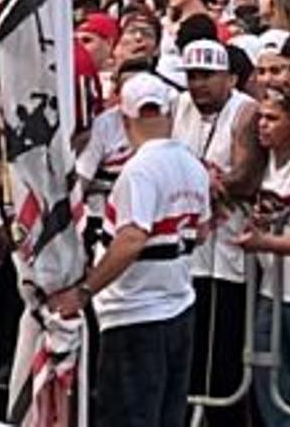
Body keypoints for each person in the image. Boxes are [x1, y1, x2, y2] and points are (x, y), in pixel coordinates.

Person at [83, 74, 215, 427]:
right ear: (169, 114)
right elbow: (202, 231)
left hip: (134, 313)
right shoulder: (193, 164)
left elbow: (131, 239)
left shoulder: (138, 171)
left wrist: (84, 291)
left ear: (125, 120)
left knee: (129, 415)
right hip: (177, 305)